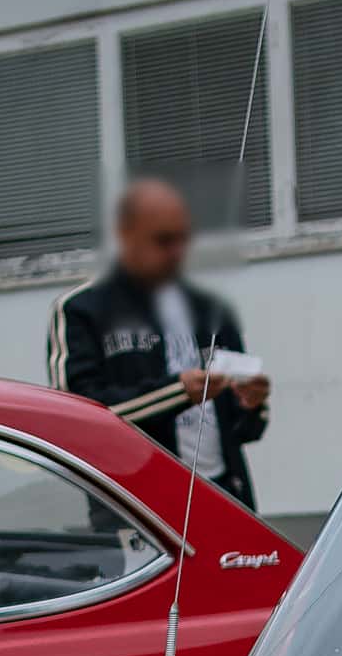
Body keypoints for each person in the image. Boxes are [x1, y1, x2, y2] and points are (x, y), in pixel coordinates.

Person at [45, 180, 269, 510]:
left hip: (225, 499)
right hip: (139, 512)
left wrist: (253, 406)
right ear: (125, 237)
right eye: (163, 240)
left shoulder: (211, 309)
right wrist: (177, 392)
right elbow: (77, 418)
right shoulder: (82, 309)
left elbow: (242, 430)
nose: (177, 252)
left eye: (183, 239)